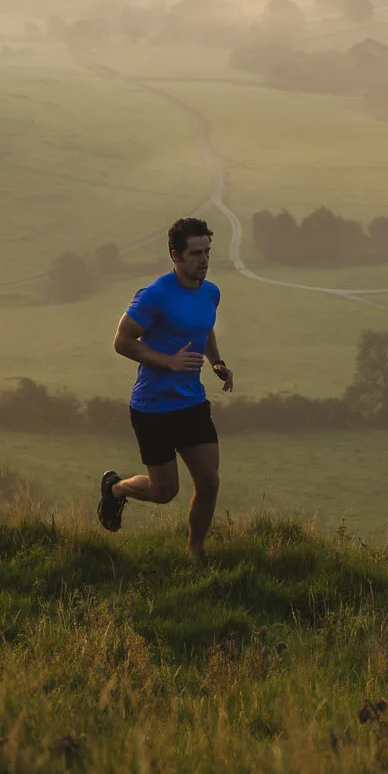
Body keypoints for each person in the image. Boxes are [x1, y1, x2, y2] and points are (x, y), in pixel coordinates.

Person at [97, 216, 233, 560]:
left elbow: (204, 329)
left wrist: (216, 362)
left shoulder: (211, 293)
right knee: (164, 490)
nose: (203, 260)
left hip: (191, 403)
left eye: (207, 252)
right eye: (195, 253)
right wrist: (166, 361)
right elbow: (121, 341)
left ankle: (195, 551)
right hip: (153, 407)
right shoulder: (155, 295)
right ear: (175, 255)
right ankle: (115, 489)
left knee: (210, 482)